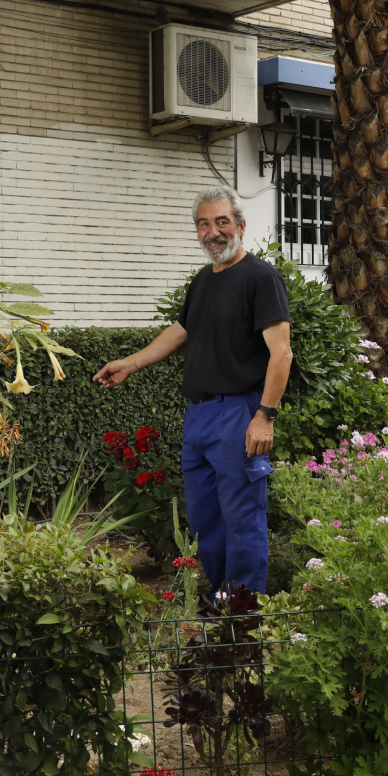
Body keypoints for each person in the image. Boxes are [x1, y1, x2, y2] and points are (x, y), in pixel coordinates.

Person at [93, 186, 292, 596]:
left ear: (241, 226)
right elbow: (180, 331)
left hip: (239, 415)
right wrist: (130, 363)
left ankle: (244, 614)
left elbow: (282, 353)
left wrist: (265, 416)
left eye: (222, 222)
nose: (212, 232)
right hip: (199, 416)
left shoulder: (261, 278)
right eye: (204, 224)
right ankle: (220, 600)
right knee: (205, 520)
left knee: (241, 519)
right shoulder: (203, 280)